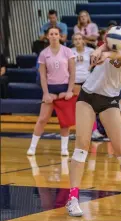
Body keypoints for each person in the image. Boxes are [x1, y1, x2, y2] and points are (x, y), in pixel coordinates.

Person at [66, 18, 121, 216]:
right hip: (87, 96)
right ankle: (72, 199)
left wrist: (103, 52)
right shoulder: (112, 41)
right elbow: (107, 45)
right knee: (82, 145)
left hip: (109, 100)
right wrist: (99, 49)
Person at [27, 27, 75, 156]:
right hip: (50, 88)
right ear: (47, 37)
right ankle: (32, 147)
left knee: (64, 122)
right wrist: (46, 93)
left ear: (60, 36)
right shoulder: (44, 53)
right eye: (51, 34)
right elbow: (42, 76)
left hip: (64, 88)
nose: (54, 36)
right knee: (42, 119)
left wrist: (70, 91)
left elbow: (72, 73)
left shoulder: (67, 51)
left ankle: (64, 148)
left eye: (56, 34)